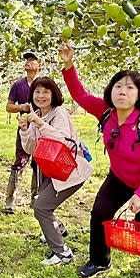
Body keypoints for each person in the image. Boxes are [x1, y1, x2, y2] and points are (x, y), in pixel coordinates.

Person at [59, 43, 140, 278]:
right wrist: (69, 65)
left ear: (139, 94)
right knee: (100, 213)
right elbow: (80, 95)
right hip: (120, 177)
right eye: (118, 86)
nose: (122, 91)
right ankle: (99, 261)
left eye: (129, 87)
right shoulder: (106, 112)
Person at [19, 77, 93, 265]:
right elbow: (30, 149)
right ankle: (57, 228)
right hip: (50, 170)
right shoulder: (37, 116)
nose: (41, 96)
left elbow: (62, 140)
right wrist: (25, 130)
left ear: (54, 94)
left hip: (69, 170)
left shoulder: (59, 113)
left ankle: (63, 253)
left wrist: (40, 124)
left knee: (42, 207)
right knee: (41, 204)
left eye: (45, 92)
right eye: (37, 92)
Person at [3, 50, 41, 214]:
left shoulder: (45, 84)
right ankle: (10, 201)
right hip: (24, 128)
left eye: (32, 60)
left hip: (41, 129)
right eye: (27, 60)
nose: (28, 62)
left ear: (40, 65)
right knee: (20, 162)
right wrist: (22, 107)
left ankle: (36, 200)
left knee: (39, 164)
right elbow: (8, 106)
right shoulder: (18, 85)